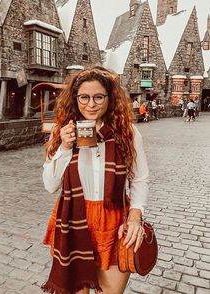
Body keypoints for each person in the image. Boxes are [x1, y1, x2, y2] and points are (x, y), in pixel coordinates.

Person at [41, 67, 149, 294]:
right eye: (84, 97)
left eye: (98, 96)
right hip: (74, 220)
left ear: (109, 99)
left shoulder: (127, 132)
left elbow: (139, 179)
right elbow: (50, 185)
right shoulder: (63, 132)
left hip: (115, 221)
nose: (91, 104)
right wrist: (65, 146)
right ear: (75, 98)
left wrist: (135, 216)